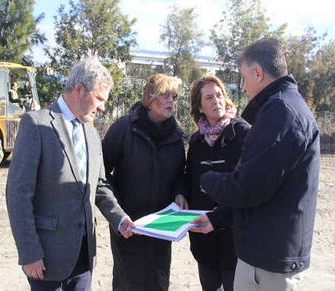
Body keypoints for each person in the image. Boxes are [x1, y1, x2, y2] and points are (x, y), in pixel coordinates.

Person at [191, 38, 320, 291]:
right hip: (265, 251)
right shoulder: (283, 107)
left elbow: (248, 187)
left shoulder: (280, 112)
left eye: (244, 78)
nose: (244, 86)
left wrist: (207, 178)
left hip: (271, 257)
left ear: (258, 72)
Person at [6, 56, 134, 291]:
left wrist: (120, 218)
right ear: (79, 90)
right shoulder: (36, 124)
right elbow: (18, 194)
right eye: (99, 98)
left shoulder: (92, 134)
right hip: (46, 257)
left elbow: (100, 186)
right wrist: (29, 252)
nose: (102, 107)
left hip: (84, 255)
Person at [102, 73, 188, 291]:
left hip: (162, 227)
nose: (171, 100)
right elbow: (101, 173)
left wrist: (180, 192)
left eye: (174, 96)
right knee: (128, 283)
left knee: (158, 282)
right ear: (150, 99)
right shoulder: (124, 128)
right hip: (129, 226)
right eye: (165, 94)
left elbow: (179, 173)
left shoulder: (177, 136)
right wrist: (117, 212)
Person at [186, 75, 250, 291]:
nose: (217, 101)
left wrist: (219, 217)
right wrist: (180, 195)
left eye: (219, 95)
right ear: (200, 107)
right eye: (209, 98)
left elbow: (248, 187)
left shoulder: (243, 134)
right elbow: (189, 180)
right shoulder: (195, 142)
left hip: (236, 241)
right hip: (204, 243)